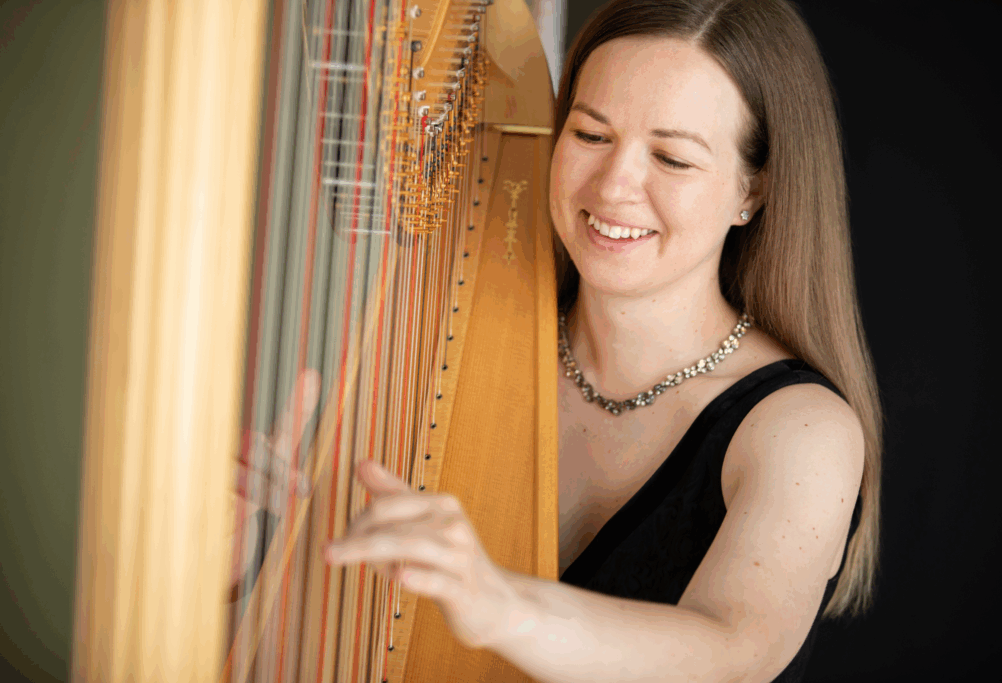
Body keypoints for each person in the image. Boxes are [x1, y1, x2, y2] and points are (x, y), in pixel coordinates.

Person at [323, 0, 883, 680]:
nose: (615, 186)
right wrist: (244, 562)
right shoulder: (435, 346)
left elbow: (734, 650)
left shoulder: (801, 429)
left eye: (672, 158)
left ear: (753, 189)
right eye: (591, 135)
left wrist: (501, 604)